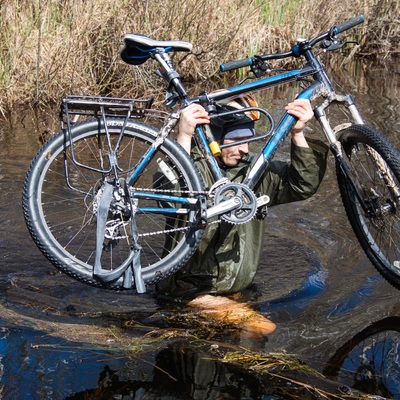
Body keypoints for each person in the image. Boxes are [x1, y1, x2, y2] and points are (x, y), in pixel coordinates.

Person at [156, 95, 328, 301]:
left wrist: (297, 134)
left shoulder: (254, 172)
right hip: (186, 291)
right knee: (261, 328)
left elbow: (302, 185)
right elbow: (173, 198)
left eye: (248, 140)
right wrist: (184, 136)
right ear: (215, 138)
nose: (244, 149)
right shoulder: (193, 168)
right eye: (236, 140)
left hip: (233, 290)